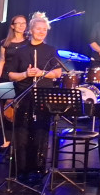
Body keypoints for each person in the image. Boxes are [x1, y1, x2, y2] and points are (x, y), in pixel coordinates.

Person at [6, 14, 63, 180]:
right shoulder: (21, 51)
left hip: (43, 96)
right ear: (30, 30)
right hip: (23, 96)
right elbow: (10, 75)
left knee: (40, 133)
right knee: (22, 133)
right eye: (38, 29)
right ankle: (20, 169)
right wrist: (26, 74)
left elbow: (57, 73)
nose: (42, 32)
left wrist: (42, 73)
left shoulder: (51, 50)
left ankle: (38, 169)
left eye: (44, 29)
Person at [0, 14, 28, 82]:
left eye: (23, 23)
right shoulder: (5, 43)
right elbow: (1, 61)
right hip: (6, 77)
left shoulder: (29, 42)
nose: (21, 25)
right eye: (18, 23)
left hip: (23, 77)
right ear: (12, 26)